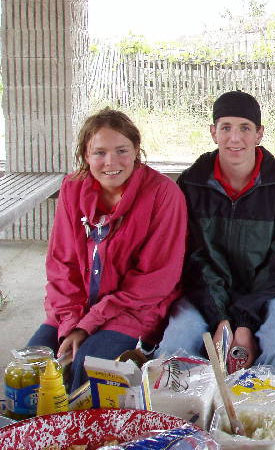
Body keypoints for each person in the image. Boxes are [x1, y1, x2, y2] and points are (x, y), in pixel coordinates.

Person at [28, 108, 187, 392]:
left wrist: (88, 325)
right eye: (99, 153)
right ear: (85, 155)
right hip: (74, 309)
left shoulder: (163, 194)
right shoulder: (72, 187)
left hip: (133, 311)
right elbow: (61, 265)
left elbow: (155, 281)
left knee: (87, 368)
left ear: (137, 150)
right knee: (32, 370)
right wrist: (71, 323)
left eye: (121, 151)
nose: (110, 162)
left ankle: (80, 435)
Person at [158, 91, 275, 374]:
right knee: (174, 346)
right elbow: (192, 257)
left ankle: (271, 415)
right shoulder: (192, 183)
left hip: (269, 292)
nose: (234, 138)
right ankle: (188, 414)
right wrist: (221, 318)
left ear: (259, 134)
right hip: (205, 292)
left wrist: (244, 323)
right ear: (213, 132)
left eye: (245, 128)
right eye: (225, 128)